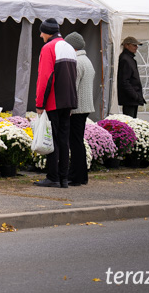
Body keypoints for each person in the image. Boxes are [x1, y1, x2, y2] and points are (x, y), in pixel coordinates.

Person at [33, 18, 77, 189]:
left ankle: (52, 177)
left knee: (51, 139)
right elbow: (74, 77)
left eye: (42, 32)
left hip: (53, 101)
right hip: (68, 101)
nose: (40, 35)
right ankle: (64, 178)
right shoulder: (69, 47)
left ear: (47, 32)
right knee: (64, 140)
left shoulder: (48, 48)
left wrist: (39, 103)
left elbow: (45, 77)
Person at [64, 32, 96, 187]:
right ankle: (82, 175)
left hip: (76, 108)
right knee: (78, 141)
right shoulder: (87, 61)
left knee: (74, 142)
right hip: (85, 106)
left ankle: (75, 176)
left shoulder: (76, 62)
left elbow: (73, 86)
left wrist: (68, 107)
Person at [117, 36, 145, 118]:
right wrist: (135, 96)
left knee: (132, 121)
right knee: (130, 121)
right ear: (126, 45)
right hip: (129, 99)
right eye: (134, 45)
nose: (136, 47)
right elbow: (125, 81)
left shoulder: (129, 58)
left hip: (132, 98)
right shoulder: (125, 59)